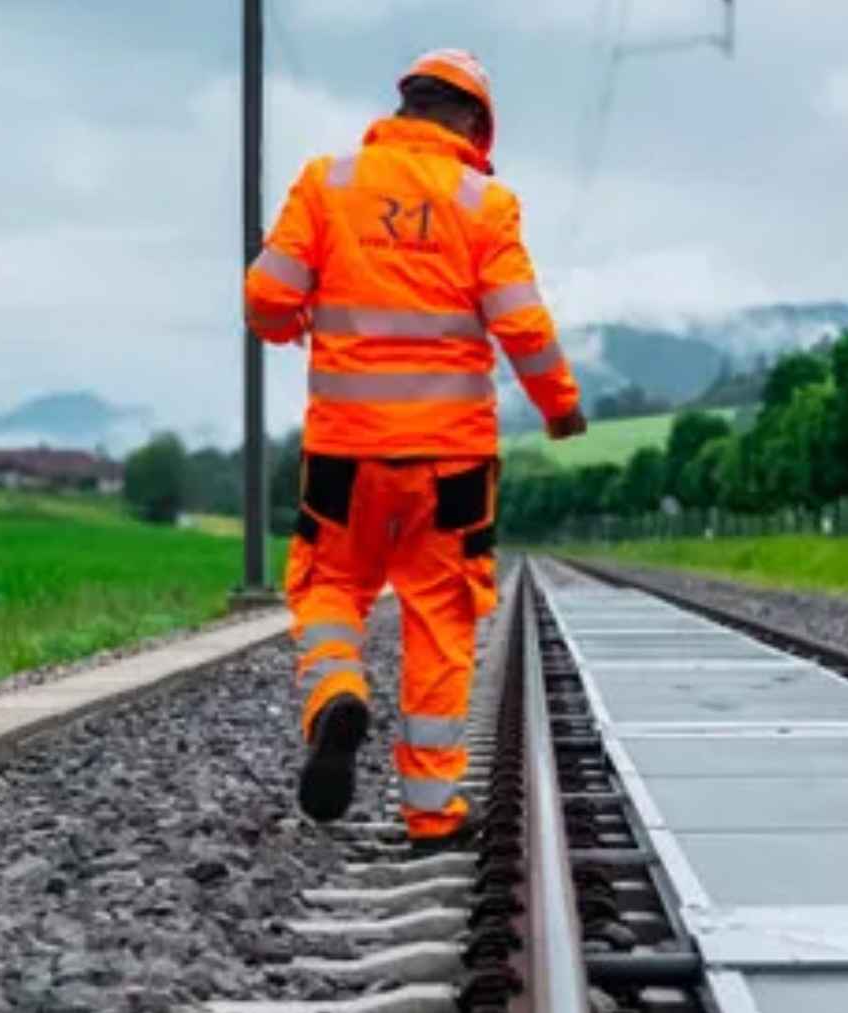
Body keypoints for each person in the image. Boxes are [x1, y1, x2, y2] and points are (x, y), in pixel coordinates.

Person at [244, 49, 586, 852]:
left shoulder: (328, 183)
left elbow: (266, 296)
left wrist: (292, 324)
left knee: (330, 586)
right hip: (451, 466)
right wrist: (560, 406)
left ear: (404, 109)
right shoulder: (484, 203)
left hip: (345, 455)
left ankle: (336, 690)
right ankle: (432, 812)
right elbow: (522, 323)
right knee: (440, 618)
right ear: (473, 124)